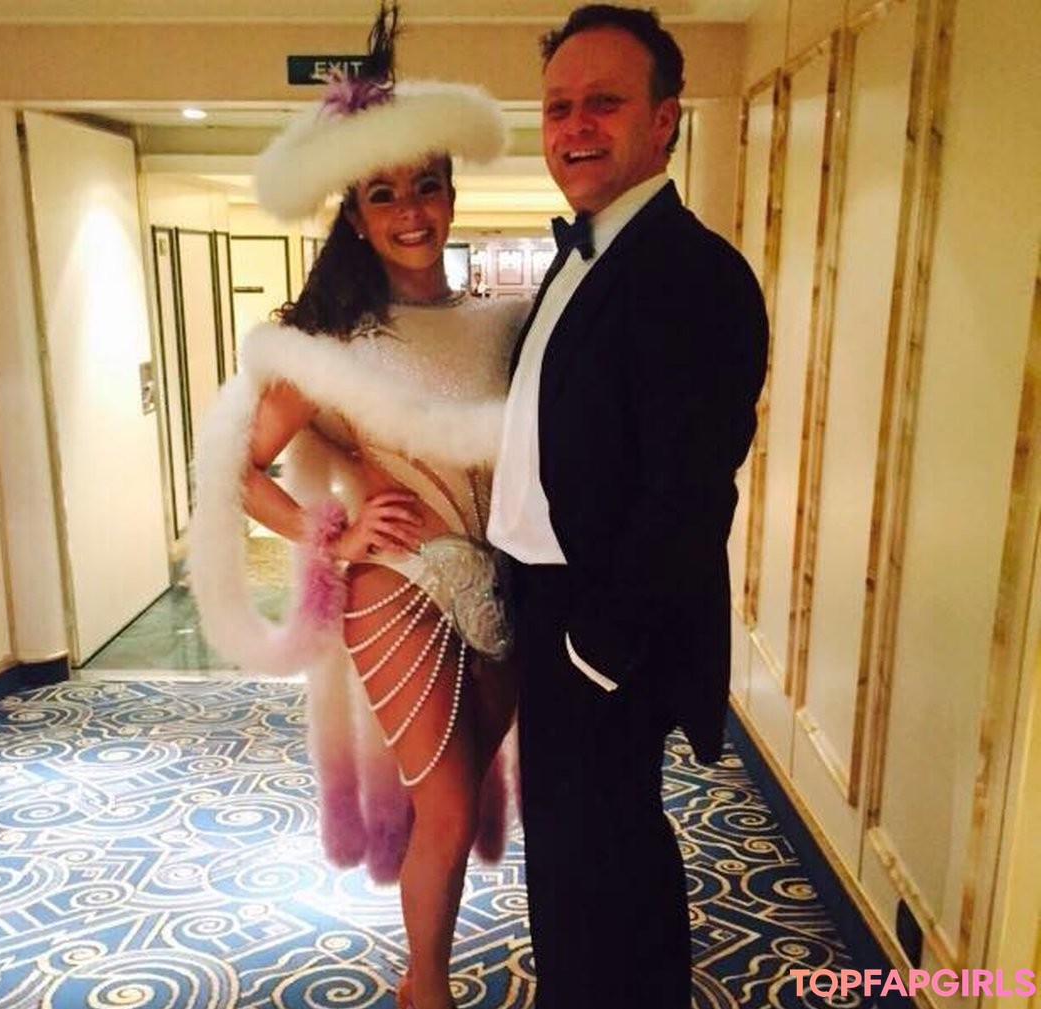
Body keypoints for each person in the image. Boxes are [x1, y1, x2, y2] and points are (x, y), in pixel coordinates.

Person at [188, 8, 525, 1009]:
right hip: (396, 585)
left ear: (452, 192)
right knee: (448, 803)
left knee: (461, 790)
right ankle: (426, 988)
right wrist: (325, 534)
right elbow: (234, 468)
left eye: (426, 184)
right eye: (384, 193)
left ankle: (426, 960)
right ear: (359, 216)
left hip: (501, 582)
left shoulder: (502, 323)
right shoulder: (329, 344)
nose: (410, 209)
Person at [488, 5, 769, 1007]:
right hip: (549, 605)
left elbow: (688, 492)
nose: (574, 126)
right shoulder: (589, 253)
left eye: (602, 102)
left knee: (607, 862)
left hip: (600, 622)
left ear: (664, 119)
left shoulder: (693, 272)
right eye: (558, 106)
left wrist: (597, 647)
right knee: (572, 856)